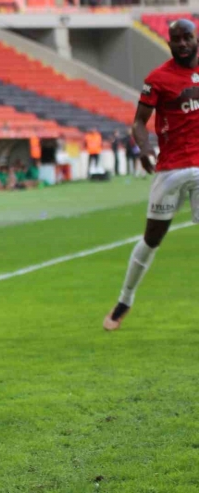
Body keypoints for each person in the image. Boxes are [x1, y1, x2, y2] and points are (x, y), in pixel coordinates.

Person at [104, 19, 199, 331]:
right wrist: (144, 149)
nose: (182, 44)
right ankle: (125, 299)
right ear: (169, 42)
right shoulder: (157, 79)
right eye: (176, 39)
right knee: (152, 237)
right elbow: (138, 122)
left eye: (187, 37)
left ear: (194, 38)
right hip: (170, 169)